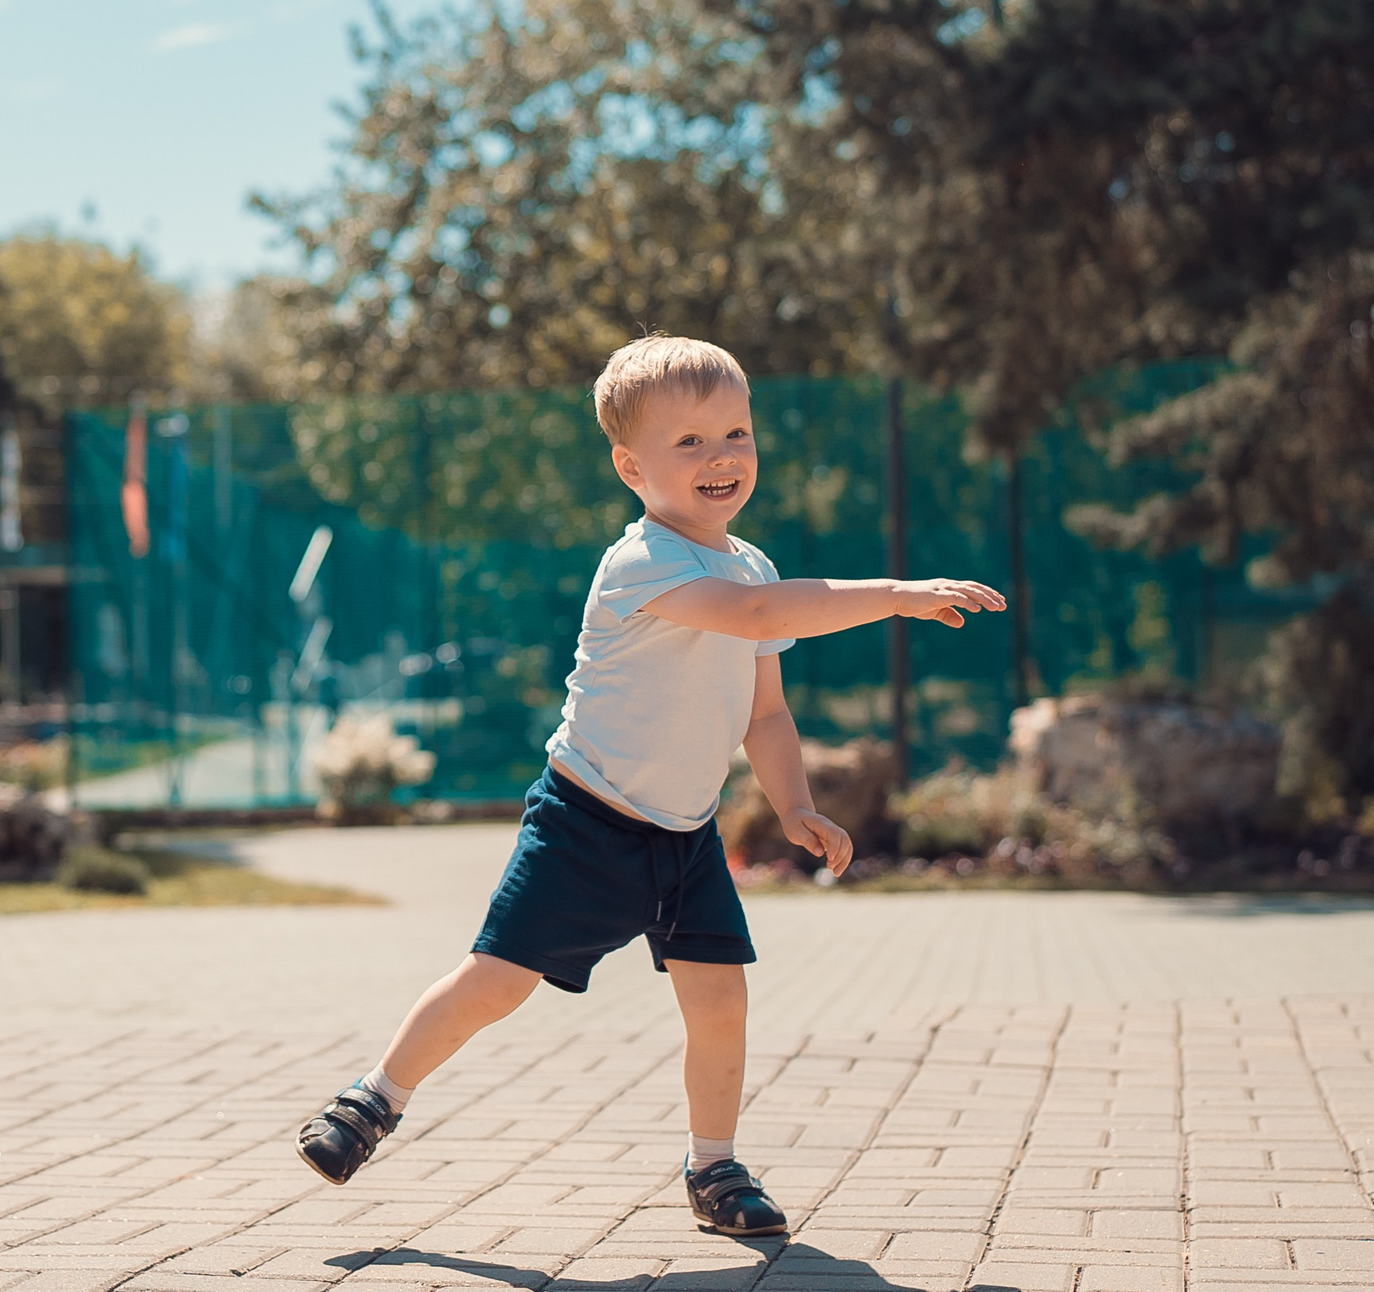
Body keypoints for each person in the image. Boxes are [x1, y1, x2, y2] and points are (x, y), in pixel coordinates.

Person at [295, 335, 1004, 1235]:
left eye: (736, 433)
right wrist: (897, 592)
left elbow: (766, 714)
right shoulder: (644, 563)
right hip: (584, 822)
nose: (722, 458)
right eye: (691, 442)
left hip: (686, 834)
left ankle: (715, 1167)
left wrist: (795, 804)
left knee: (720, 996)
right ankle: (374, 1098)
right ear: (631, 465)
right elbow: (758, 617)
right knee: (498, 980)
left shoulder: (750, 564)